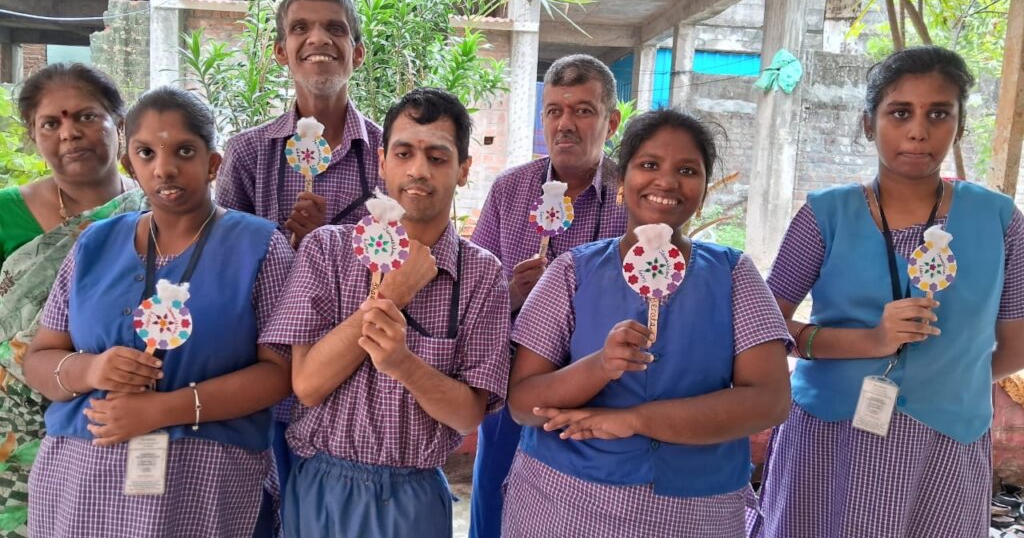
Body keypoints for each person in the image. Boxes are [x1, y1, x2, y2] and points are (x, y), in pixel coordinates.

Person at [752, 46, 1024, 538]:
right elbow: (764, 330)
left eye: (938, 114)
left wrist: (946, 378)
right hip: (831, 437)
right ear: (868, 124)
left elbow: (1015, 344)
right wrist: (868, 343)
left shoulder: (1001, 222)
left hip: (946, 445)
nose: (918, 131)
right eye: (900, 113)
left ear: (959, 127)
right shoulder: (824, 216)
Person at [501, 108, 792, 537]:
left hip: (696, 509)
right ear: (623, 180)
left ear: (705, 189)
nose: (667, 181)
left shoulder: (734, 275)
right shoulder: (571, 272)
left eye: (687, 170)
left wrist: (637, 419)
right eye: (649, 165)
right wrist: (600, 365)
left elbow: (769, 401)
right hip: (563, 500)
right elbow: (523, 403)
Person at [23, 87, 294, 537]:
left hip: (207, 480)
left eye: (184, 151)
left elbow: (280, 374)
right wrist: (91, 369)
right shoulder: (94, 244)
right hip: (83, 480)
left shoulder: (260, 246)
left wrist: (163, 409)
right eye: (146, 153)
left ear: (213, 163)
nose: (164, 168)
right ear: (130, 164)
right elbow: (39, 359)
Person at [260, 88, 510, 537]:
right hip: (322, 487)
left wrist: (404, 364)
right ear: (382, 160)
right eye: (404, 152)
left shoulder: (481, 274)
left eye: (438, 157)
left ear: (464, 169)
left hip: (413, 498)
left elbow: (468, 415)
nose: (418, 170)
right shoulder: (328, 250)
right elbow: (308, 385)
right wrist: (391, 294)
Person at [215, 0, 384, 492]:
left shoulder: (390, 154)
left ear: (356, 52)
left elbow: (401, 264)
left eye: (335, 29)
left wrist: (328, 246)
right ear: (280, 52)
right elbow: (225, 275)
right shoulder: (247, 154)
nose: (319, 39)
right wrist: (288, 247)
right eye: (300, 29)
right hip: (266, 386)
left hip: (354, 385)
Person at [468, 54, 628, 538]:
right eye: (554, 110)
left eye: (582, 110)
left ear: (611, 121)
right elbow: (470, 294)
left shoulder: (632, 195)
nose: (565, 124)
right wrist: (512, 293)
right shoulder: (511, 191)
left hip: (602, 395)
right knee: (495, 507)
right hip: (512, 388)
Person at [0, 63, 144, 537]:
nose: (70, 133)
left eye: (85, 117)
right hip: (12, 428)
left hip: (117, 419)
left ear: (117, 125)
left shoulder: (156, 209)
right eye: (51, 123)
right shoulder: (7, 214)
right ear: (33, 136)